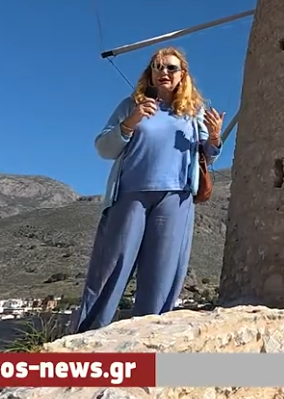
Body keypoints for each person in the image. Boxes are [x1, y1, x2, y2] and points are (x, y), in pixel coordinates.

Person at [70, 46, 224, 333]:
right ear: (150, 73)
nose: (164, 72)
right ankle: (87, 334)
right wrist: (132, 121)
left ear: (182, 75)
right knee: (112, 267)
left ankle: (149, 337)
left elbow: (208, 155)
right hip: (130, 194)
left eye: (171, 67)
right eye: (158, 67)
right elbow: (104, 148)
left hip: (176, 197)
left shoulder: (194, 112)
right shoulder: (131, 105)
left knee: (162, 271)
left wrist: (214, 138)